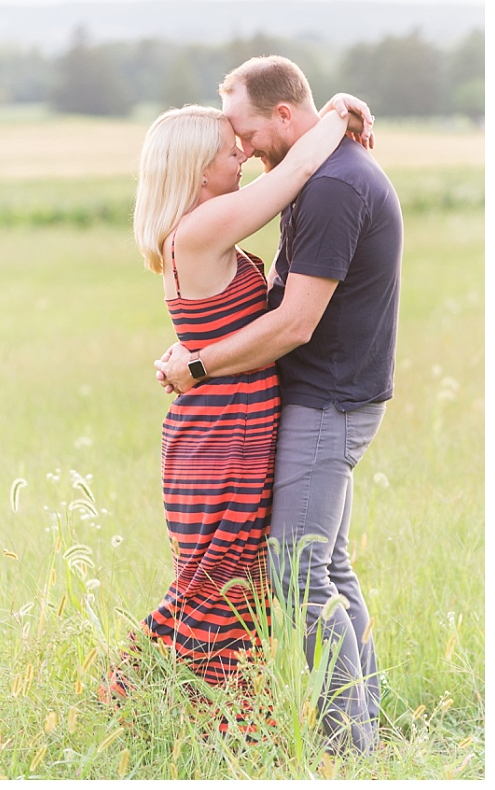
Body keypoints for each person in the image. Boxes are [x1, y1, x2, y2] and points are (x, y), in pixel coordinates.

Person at [155, 56, 399, 753]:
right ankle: (361, 733)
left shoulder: (326, 188)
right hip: (293, 403)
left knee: (297, 571)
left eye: (246, 131)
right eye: (228, 142)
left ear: (284, 117)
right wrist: (335, 115)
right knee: (319, 567)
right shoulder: (302, 180)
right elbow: (285, 175)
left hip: (326, 400)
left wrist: (196, 362)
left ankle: (349, 744)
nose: (242, 146)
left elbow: (293, 323)